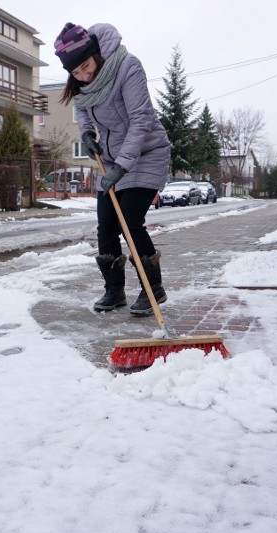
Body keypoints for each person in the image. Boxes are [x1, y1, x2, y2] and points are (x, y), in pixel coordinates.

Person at [54, 22, 171, 316]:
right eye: (75, 73)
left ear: (96, 53)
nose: (83, 75)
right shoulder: (82, 81)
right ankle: (114, 290)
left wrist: (122, 166)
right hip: (110, 161)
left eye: (86, 66)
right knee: (106, 225)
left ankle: (152, 288)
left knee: (130, 221)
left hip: (145, 154)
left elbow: (141, 120)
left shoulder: (127, 66)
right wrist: (87, 134)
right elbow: (81, 108)